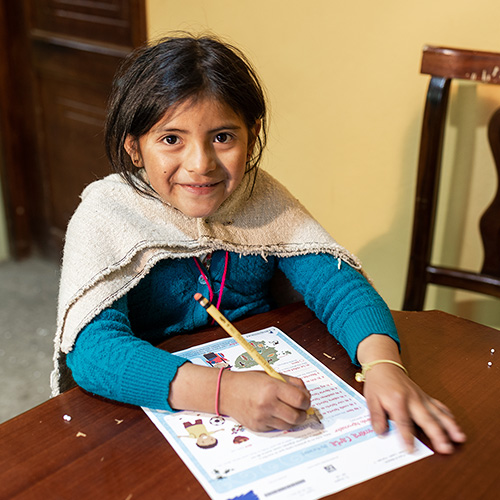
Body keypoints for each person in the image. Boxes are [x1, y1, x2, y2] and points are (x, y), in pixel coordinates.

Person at [50, 34, 466, 455]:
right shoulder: (106, 212)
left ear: (252, 134)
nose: (200, 164)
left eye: (223, 137)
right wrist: (224, 394)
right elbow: (94, 351)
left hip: (268, 397)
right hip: (154, 411)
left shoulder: (259, 195)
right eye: (171, 139)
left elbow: (339, 286)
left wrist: (383, 365)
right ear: (134, 148)